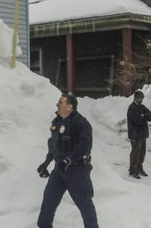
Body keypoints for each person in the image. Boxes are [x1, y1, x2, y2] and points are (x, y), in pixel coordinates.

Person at [36, 94, 98, 228]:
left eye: (60, 102)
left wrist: (70, 159)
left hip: (77, 171)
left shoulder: (81, 123)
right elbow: (54, 144)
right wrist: (46, 162)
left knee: (85, 203)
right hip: (59, 170)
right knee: (49, 200)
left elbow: (85, 147)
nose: (57, 105)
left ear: (70, 107)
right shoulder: (57, 122)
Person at [127, 90, 151, 179]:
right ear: (135, 98)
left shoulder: (142, 107)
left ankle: (139, 168)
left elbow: (150, 116)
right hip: (135, 134)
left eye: (141, 98)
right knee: (135, 152)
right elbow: (137, 120)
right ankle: (133, 170)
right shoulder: (132, 108)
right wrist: (144, 116)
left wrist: (143, 115)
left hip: (143, 134)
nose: (140, 100)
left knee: (142, 152)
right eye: (139, 98)